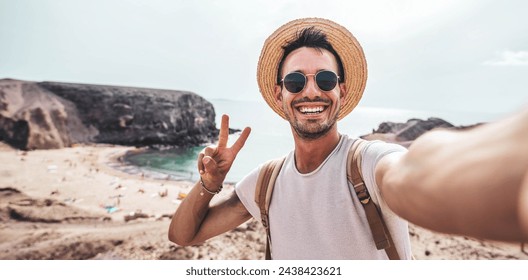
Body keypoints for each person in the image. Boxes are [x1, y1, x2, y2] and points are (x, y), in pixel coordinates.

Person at [168, 17, 528, 260]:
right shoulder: (266, 181)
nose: (311, 91)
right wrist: (208, 183)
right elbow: (183, 236)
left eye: (324, 80)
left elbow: (412, 174)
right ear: (280, 94)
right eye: (295, 82)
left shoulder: (369, 162)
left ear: (341, 89)